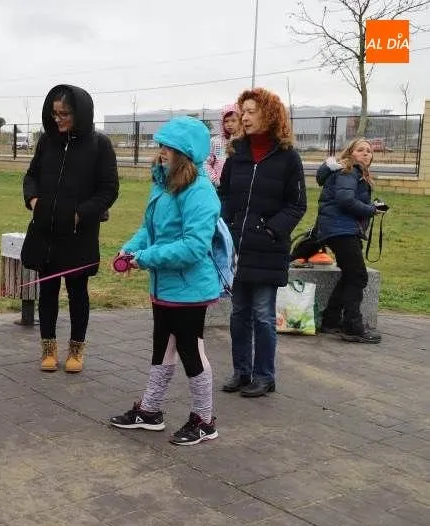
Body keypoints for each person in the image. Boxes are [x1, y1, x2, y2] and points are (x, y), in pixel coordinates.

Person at [108, 116, 222, 446]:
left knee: (191, 350)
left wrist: (146, 258)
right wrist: (130, 249)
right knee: (163, 347)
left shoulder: (200, 192)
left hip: (190, 290)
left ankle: (204, 420)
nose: (161, 152)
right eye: (161, 145)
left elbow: (194, 246)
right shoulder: (164, 184)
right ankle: (150, 410)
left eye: (168, 147)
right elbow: (151, 230)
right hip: (165, 288)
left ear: (185, 153)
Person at [20, 84, 119, 373]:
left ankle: (76, 350)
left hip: (79, 235)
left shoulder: (100, 145)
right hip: (45, 232)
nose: (58, 119)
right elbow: (31, 176)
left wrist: (80, 214)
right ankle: (48, 349)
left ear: (80, 113)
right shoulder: (46, 141)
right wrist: (34, 200)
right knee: (48, 290)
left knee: (77, 292)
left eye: (64, 114)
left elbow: (109, 189)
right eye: (54, 113)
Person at [218, 88, 307, 397]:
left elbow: (297, 204)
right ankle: (241, 372)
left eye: (251, 111)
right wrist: (226, 227)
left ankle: (265, 376)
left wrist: (270, 230)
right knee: (238, 314)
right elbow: (225, 195)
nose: (244, 117)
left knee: (263, 316)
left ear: (269, 114)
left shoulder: (288, 157)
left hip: (268, 250)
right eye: (243, 111)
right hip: (238, 250)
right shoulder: (237, 154)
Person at [314, 138, 385, 343]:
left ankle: (330, 320)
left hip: (338, 228)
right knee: (358, 275)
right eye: (360, 150)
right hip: (340, 229)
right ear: (350, 153)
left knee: (350, 274)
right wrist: (372, 210)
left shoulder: (353, 172)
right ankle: (352, 326)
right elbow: (345, 201)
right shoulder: (349, 171)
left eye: (369, 151)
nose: (366, 153)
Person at [204, 103, 241, 187]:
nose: (229, 124)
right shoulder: (215, 141)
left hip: (237, 186)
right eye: (226, 121)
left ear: (240, 122)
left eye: (233, 120)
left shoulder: (244, 141)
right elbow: (206, 162)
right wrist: (215, 179)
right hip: (218, 186)